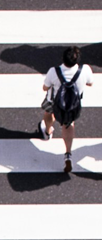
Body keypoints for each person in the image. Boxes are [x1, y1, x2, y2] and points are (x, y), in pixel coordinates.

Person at [38, 45, 94, 173]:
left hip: (54, 102)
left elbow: (45, 88)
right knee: (68, 125)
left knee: (48, 113)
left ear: (63, 59)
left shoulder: (54, 71)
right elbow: (91, 83)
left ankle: (47, 131)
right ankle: (68, 153)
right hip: (72, 105)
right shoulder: (84, 70)